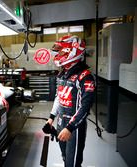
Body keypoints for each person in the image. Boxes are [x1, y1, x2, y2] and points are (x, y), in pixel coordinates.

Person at [42, 35, 95, 167]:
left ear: (72, 52)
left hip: (74, 126)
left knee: (73, 163)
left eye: (61, 51)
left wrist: (70, 128)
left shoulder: (85, 76)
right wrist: (51, 118)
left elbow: (85, 107)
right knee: (65, 157)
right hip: (61, 121)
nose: (58, 54)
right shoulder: (62, 74)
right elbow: (58, 97)